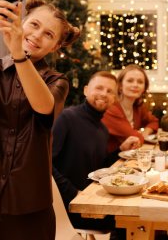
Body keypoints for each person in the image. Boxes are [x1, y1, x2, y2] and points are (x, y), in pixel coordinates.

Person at [0, 0, 80, 239]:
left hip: (30, 204)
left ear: (55, 47)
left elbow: (44, 107)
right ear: (22, 23)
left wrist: (18, 54)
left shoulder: (57, 81)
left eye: (48, 34)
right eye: (34, 25)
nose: (37, 35)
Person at [52, 71, 140, 239]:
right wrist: (73, 193)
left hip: (91, 202)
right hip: (70, 207)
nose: (103, 94)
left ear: (114, 98)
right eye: (98, 88)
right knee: (133, 219)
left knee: (137, 212)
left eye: (109, 91)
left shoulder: (102, 129)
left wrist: (120, 149)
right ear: (86, 90)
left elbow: (99, 168)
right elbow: (45, 163)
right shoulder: (67, 118)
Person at [102, 64, 159, 153]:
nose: (135, 85)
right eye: (130, 81)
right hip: (109, 162)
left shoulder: (137, 105)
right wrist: (138, 134)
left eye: (140, 82)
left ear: (144, 88)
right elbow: (133, 138)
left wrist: (145, 132)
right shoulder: (111, 107)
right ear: (120, 85)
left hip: (127, 157)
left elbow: (154, 122)